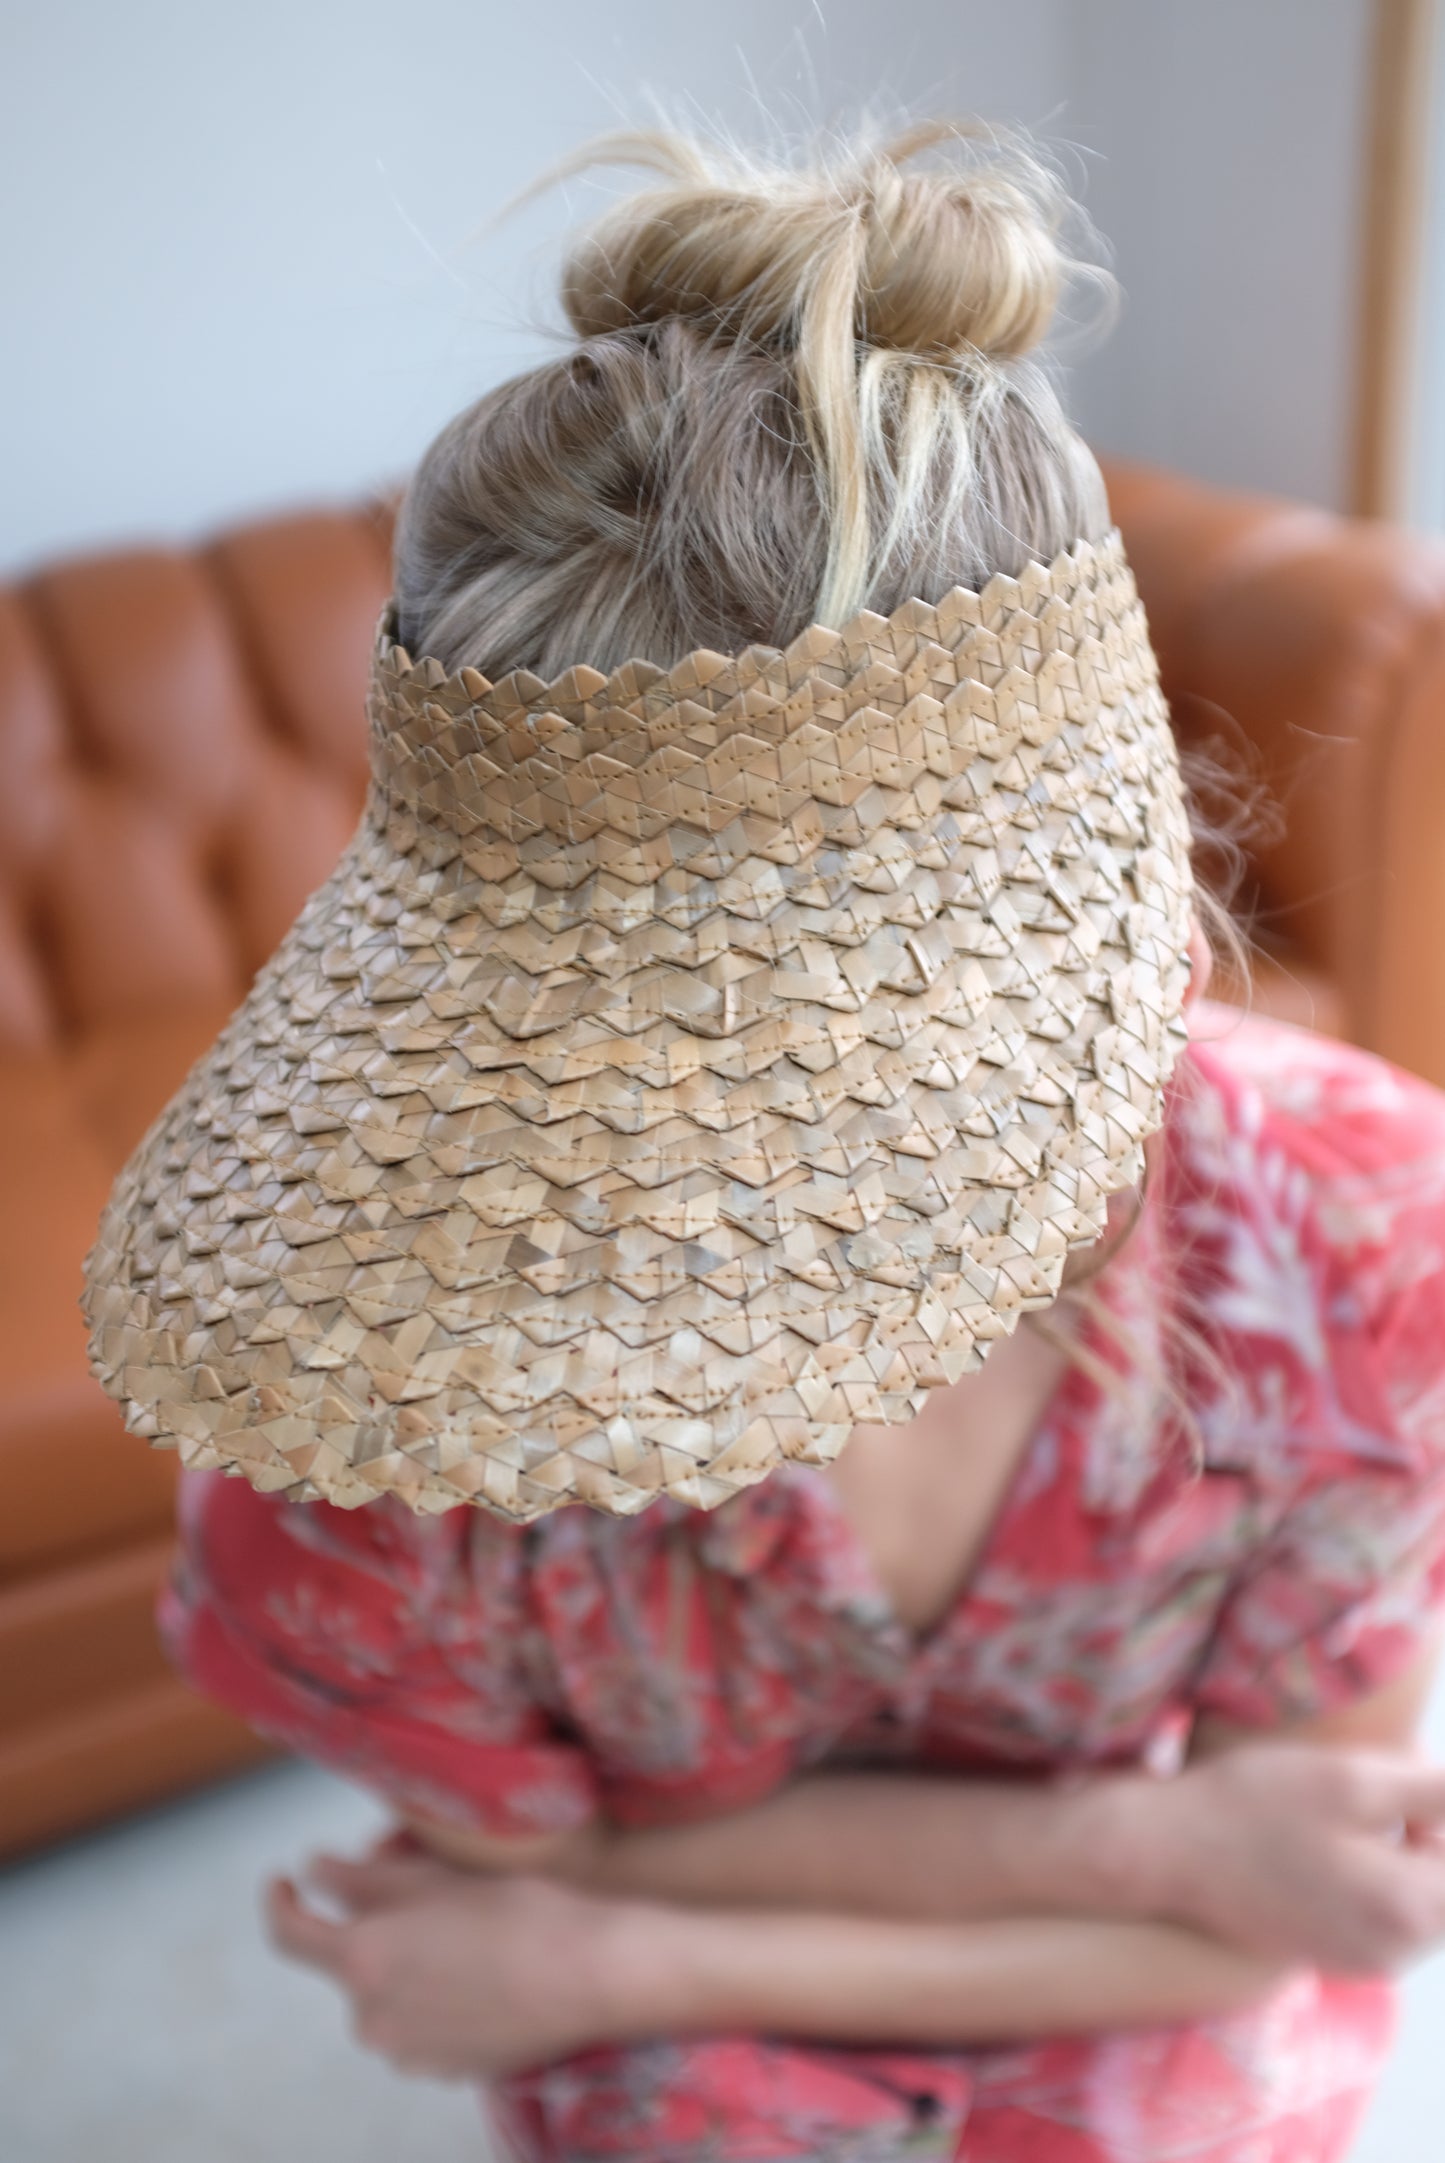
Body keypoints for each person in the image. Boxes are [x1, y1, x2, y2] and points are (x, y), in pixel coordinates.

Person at [142, 123, 1445, 2161]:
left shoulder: (1367, 1240)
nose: (721, 1214)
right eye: (599, 1089)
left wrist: (610, 1952)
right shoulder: (357, 1420)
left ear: (1135, 951)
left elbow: (1289, 1908)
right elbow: (510, 1888)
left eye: (849, 1089)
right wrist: (1151, 1841)